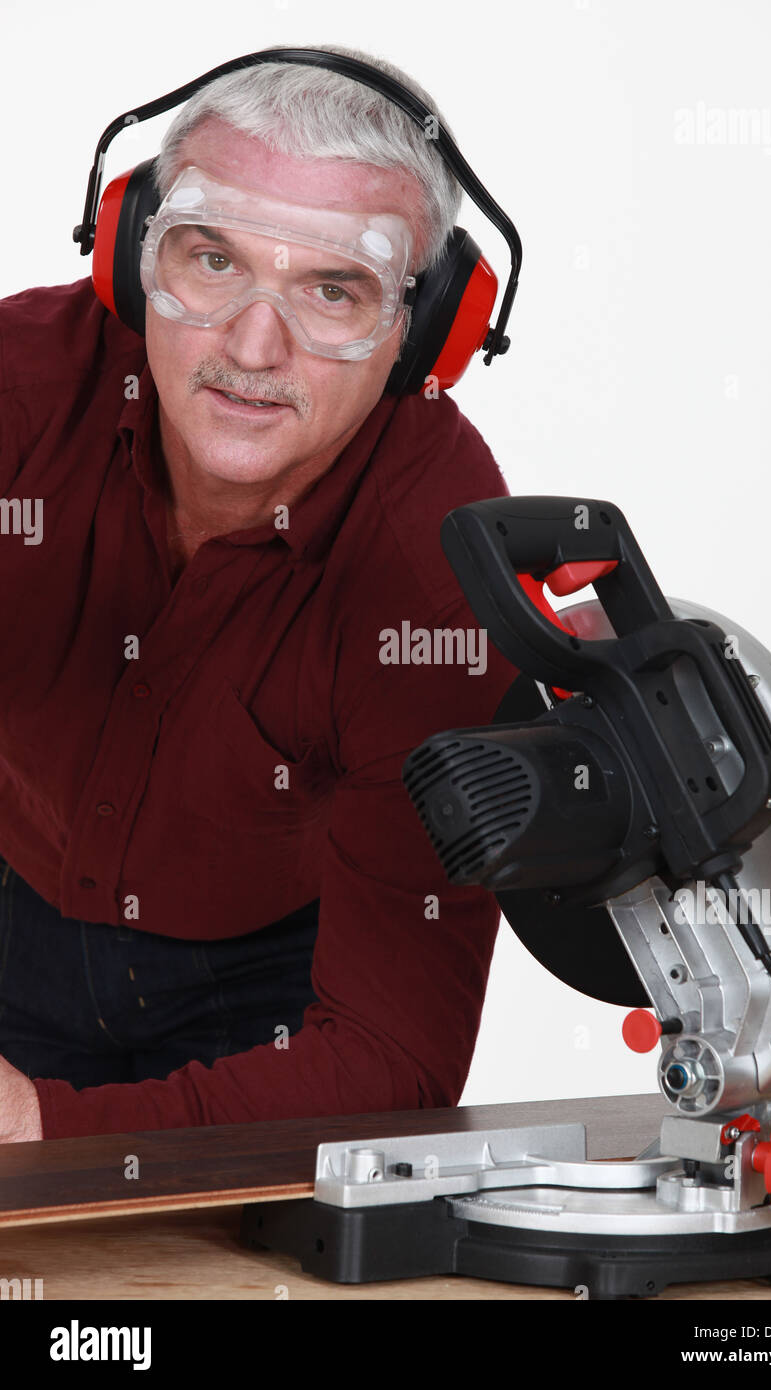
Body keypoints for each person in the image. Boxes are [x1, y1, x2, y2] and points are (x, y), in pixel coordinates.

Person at [0, 45, 519, 1140]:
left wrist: (40, 1129)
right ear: (130, 254)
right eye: (213, 259)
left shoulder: (438, 569)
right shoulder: (18, 393)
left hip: (265, 1001)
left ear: (428, 333)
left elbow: (393, 1057)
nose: (251, 345)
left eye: (334, 288)